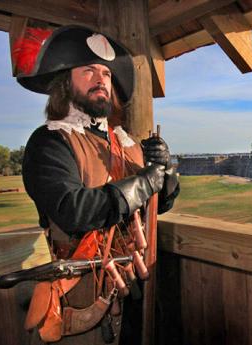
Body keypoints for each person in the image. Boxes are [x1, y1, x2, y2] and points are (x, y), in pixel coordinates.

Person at [14, 25, 179, 344]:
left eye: (105, 72)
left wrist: (164, 173)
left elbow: (158, 206)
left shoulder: (127, 143)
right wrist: (144, 183)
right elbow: (73, 211)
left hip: (136, 292)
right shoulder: (51, 142)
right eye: (88, 70)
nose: (101, 78)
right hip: (82, 299)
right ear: (65, 82)